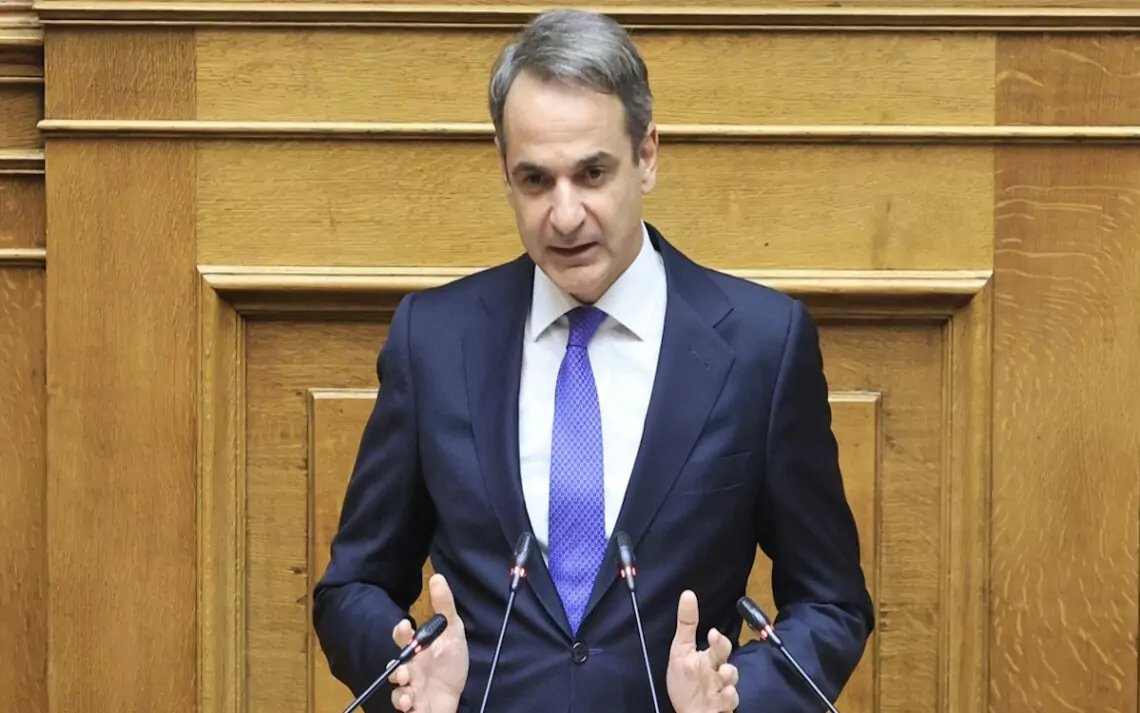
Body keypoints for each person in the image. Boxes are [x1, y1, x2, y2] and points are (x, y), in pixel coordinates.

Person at [313, 8, 873, 712]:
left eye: (592, 173)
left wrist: (738, 699)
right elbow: (352, 587)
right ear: (504, 175)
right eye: (535, 180)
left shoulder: (762, 345)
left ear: (647, 156)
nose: (565, 214)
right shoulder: (434, 340)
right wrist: (405, 665)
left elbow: (830, 603)